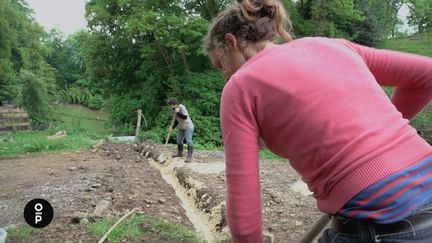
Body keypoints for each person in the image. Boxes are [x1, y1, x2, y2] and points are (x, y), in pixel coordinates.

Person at [204, 0, 432, 242]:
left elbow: (244, 215)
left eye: (221, 65)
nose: (225, 76)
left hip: (379, 223)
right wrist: (384, 138)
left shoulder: (239, 87)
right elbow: (427, 75)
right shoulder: (330, 46)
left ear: (232, 42)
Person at [166, 97, 194, 163]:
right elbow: (176, 120)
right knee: (179, 140)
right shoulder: (173, 110)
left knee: (188, 141)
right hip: (181, 127)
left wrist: (178, 112)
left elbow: (185, 117)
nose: (169, 106)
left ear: (173, 104)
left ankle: (189, 157)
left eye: (170, 104)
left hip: (188, 127)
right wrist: (172, 127)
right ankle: (180, 153)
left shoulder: (181, 107)